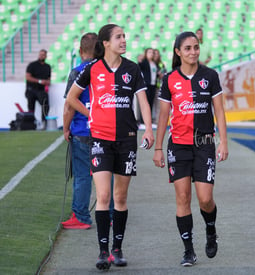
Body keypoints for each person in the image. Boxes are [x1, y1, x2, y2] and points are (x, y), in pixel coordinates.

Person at [66, 24, 154, 270]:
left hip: (126, 139)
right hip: (101, 140)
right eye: (119, 37)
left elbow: (144, 102)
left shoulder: (132, 69)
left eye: (124, 36)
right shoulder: (92, 69)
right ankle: (103, 251)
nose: (123, 40)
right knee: (103, 196)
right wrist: (90, 112)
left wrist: (148, 128)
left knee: (120, 197)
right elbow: (72, 98)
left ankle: (118, 248)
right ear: (105, 43)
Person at [152, 31, 228, 267]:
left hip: (204, 143)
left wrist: (223, 141)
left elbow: (219, 111)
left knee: (205, 199)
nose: (193, 52)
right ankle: (188, 250)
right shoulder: (169, 78)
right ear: (178, 52)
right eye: (187, 48)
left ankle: (211, 228)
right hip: (178, 145)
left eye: (196, 47)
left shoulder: (210, 76)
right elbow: (164, 114)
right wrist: (158, 147)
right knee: (182, 198)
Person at [61, 32, 98, 230]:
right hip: (103, 130)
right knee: (106, 174)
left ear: (81, 51)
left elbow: (69, 105)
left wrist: (66, 128)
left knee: (83, 175)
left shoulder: (77, 71)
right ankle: (109, 214)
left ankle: (81, 216)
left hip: (82, 130)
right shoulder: (105, 71)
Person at [25, 49, 51, 129]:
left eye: (43, 55)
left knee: (45, 105)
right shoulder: (32, 65)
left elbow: (49, 80)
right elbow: (28, 77)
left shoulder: (47, 67)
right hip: (31, 89)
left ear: (46, 56)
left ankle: (44, 122)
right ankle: (31, 123)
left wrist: (47, 82)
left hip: (41, 90)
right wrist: (39, 81)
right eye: (40, 54)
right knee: (31, 107)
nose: (41, 56)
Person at [139, 48, 158, 119]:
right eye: (149, 52)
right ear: (146, 53)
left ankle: (149, 120)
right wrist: (139, 61)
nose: (151, 54)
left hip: (153, 85)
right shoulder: (144, 62)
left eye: (152, 52)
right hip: (146, 85)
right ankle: (142, 121)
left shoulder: (154, 63)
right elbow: (139, 67)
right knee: (145, 103)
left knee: (151, 103)